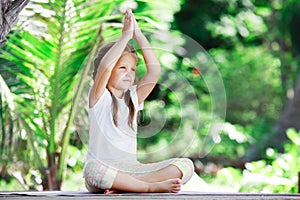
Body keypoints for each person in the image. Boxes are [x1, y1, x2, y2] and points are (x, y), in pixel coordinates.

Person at [83, 8, 194, 194]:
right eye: (122, 68)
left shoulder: (133, 98)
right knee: (92, 170)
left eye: (133, 69)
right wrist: (125, 37)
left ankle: (126, 186)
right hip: (103, 171)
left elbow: (154, 72)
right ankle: (147, 187)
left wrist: (139, 35)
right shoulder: (99, 97)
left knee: (185, 166)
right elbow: (105, 66)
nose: (129, 73)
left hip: (132, 170)